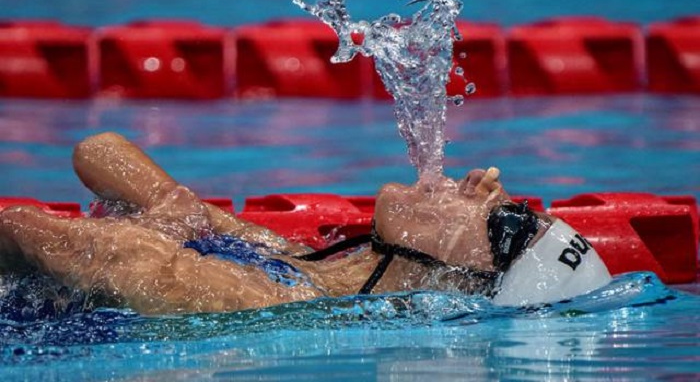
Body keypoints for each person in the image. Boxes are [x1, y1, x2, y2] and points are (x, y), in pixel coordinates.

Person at [0, 132, 612, 315]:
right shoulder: (313, 269)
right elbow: (98, 151)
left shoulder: (255, 299)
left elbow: (23, 228)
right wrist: (172, 202)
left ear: (459, 279)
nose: (488, 187)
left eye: (507, 223)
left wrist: (154, 232)